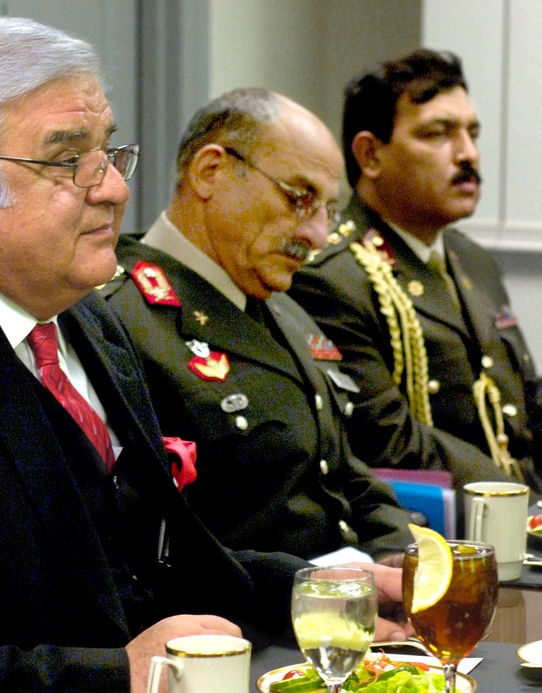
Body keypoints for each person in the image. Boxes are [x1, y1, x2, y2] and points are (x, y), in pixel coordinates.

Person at [0, 18, 410, 693]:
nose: (116, 190)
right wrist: (113, 675)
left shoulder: (82, 315)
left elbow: (150, 555)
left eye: (109, 153)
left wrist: (315, 591)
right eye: (69, 163)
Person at [99, 88, 422, 564]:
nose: (316, 235)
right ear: (212, 172)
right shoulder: (121, 316)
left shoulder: (284, 307)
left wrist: (401, 555)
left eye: (327, 209)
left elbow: (341, 472)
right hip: (247, 622)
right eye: (299, 198)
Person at [290, 50, 542, 498]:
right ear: (370, 154)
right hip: (441, 527)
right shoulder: (333, 277)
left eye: (472, 133)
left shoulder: (469, 257)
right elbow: (388, 441)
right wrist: (521, 501)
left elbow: (531, 395)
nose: (468, 154)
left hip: (518, 509)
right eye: (437, 134)